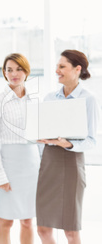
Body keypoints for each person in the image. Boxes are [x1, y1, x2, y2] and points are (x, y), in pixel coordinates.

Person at [36, 50, 100, 244]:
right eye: (57, 66)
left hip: (72, 164)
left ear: (77, 69)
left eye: (62, 66)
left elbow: (91, 140)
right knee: (43, 228)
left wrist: (69, 144)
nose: (57, 70)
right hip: (48, 163)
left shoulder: (88, 99)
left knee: (71, 231)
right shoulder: (49, 98)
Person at [0, 53, 40, 244]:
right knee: (5, 221)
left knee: (27, 221)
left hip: (31, 167)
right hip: (9, 166)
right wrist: (0, 174)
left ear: (26, 71)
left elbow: (39, 139)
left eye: (18, 69)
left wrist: (43, 167)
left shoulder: (35, 100)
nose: (14, 73)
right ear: (4, 73)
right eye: (9, 70)